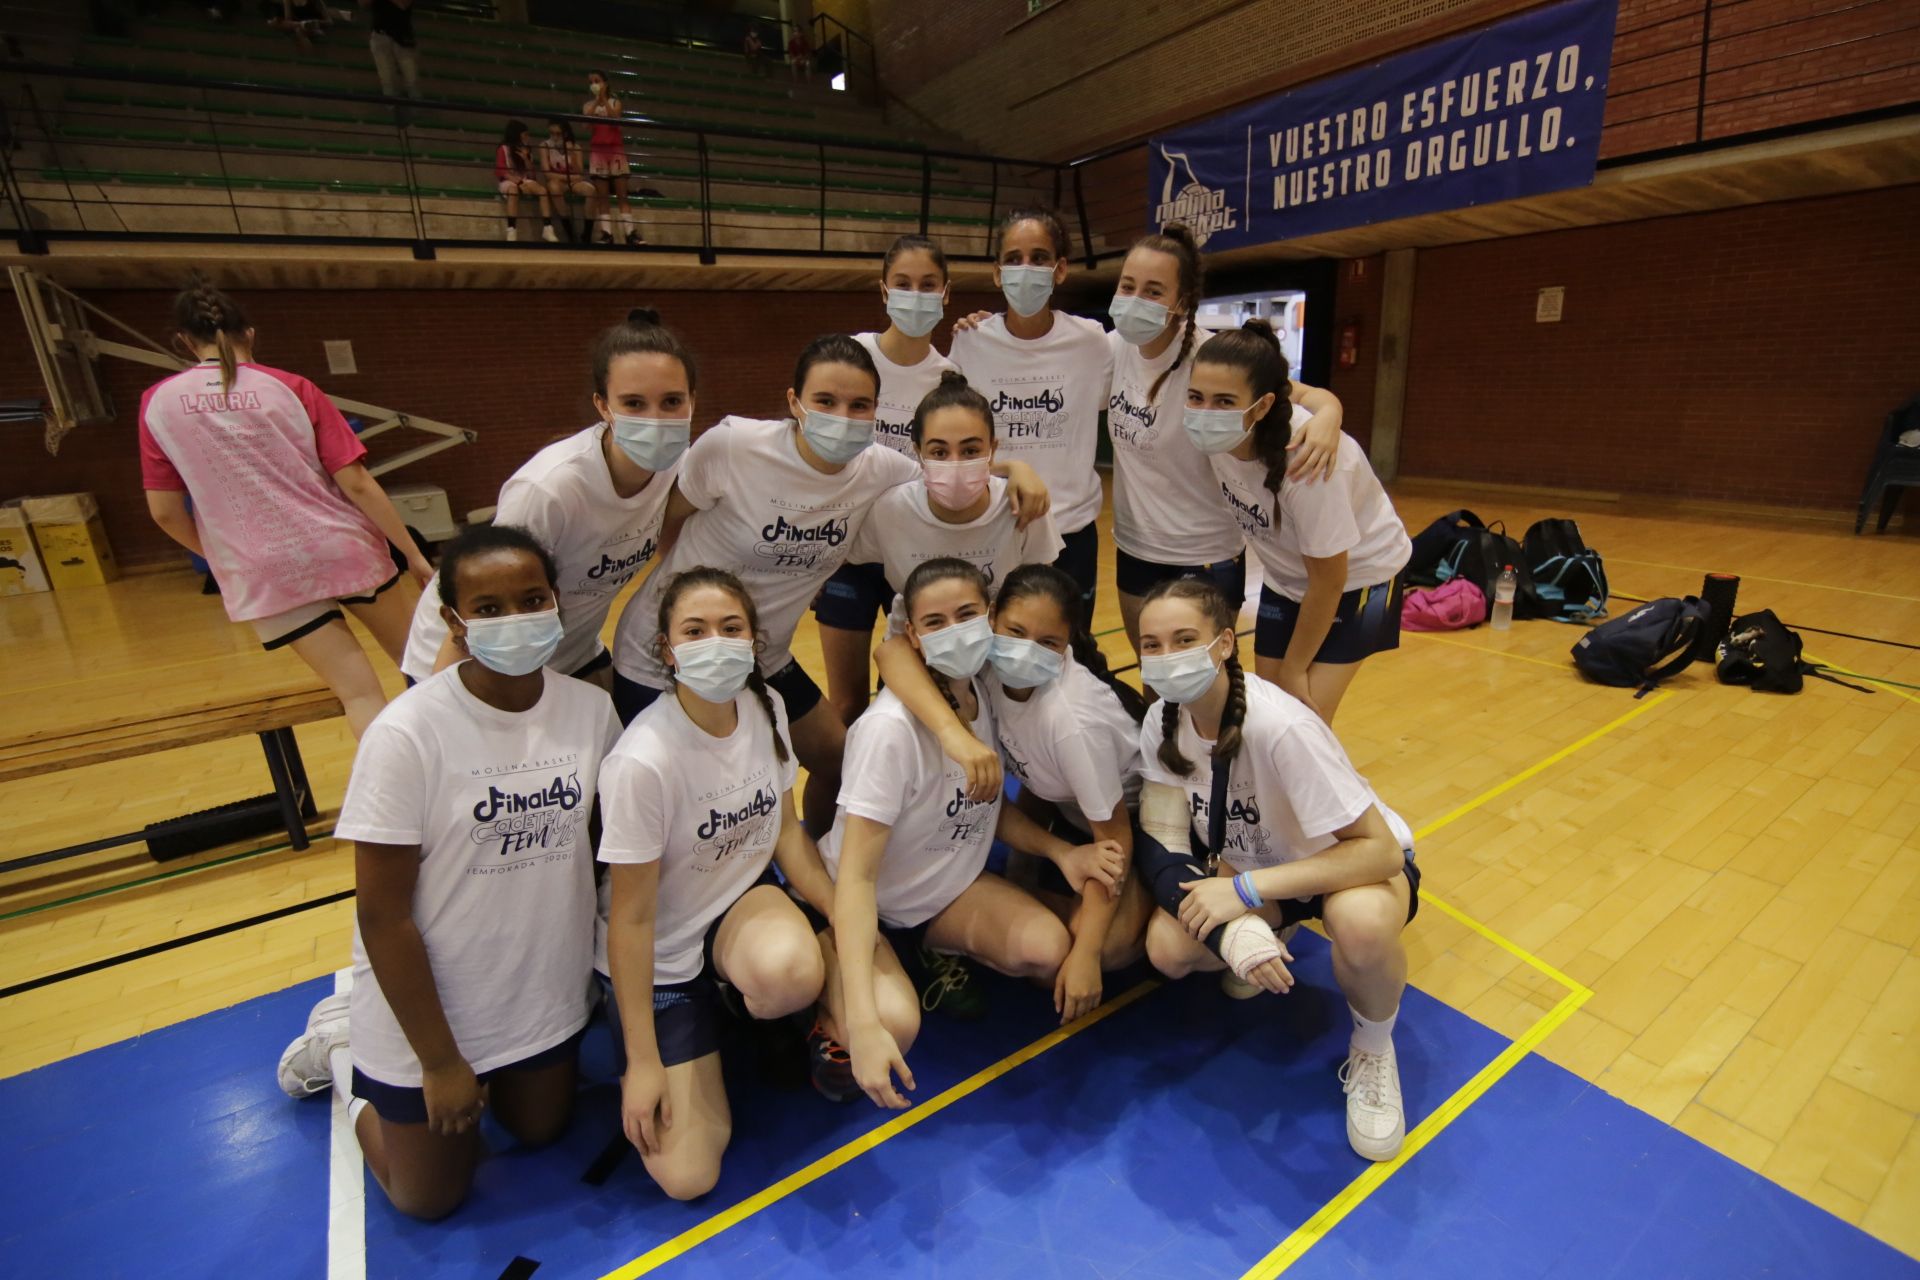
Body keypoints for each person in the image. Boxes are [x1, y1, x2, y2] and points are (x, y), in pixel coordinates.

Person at [276, 524, 623, 1220]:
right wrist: (438, 1063)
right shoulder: (406, 735)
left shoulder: (590, 711)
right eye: (489, 609)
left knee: (541, 1128)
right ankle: (343, 1046)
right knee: (428, 1199)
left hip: (535, 988)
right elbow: (382, 915)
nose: (514, 619)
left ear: (556, 604)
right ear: (454, 623)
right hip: (432, 1003)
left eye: (531, 600)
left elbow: (596, 849)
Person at [607, 335, 1050, 836]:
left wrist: (1018, 467)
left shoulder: (880, 470)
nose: (842, 415)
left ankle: (821, 868)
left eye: (858, 405)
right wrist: (687, 594)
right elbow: (666, 520)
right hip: (669, 656)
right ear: (795, 402)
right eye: (825, 401)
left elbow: (947, 465)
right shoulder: (734, 447)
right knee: (682, 795)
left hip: (763, 653)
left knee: (841, 761)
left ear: (876, 412)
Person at [1129, 575, 1418, 1162]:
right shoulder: (1162, 718)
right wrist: (1236, 925)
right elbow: (1160, 836)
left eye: (1184, 639)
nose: (1166, 657)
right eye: (1151, 645)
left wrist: (1243, 890)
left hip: (1343, 867)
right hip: (1261, 868)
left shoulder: (1280, 727)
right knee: (1169, 947)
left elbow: (1380, 850)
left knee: (1361, 926)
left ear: (1225, 643)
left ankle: (1373, 1050)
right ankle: (1275, 923)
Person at [819, 559, 1126, 1107]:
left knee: (1050, 946)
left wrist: (1062, 853)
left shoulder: (983, 684)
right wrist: (863, 1024)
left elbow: (982, 805)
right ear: (911, 634)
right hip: (865, 901)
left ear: (989, 617)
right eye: (934, 623)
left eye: (966, 615)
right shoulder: (888, 732)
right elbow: (857, 877)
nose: (955, 631)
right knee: (894, 1025)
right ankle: (824, 989)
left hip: (946, 895)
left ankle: (926, 946)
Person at [600, 568, 839, 1198]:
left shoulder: (768, 706)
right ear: (667, 650)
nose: (716, 642)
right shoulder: (640, 762)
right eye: (695, 630)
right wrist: (644, 1062)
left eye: (731, 628)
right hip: (663, 957)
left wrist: (845, 917)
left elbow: (787, 833)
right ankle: (686, 1032)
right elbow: (629, 921)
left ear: (755, 641)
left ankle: (755, 1009)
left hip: (740, 913)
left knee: (815, 983)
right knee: (687, 1176)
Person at [140, 272, 431, 739]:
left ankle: (398, 805)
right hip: (341, 546)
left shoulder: (156, 404)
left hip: (262, 571)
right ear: (249, 334)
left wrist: (225, 557)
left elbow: (165, 513)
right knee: (422, 672)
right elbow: (355, 482)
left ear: (184, 342)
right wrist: (413, 554)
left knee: (359, 696)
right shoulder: (291, 386)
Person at [874, 562, 1152, 1022]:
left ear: (1068, 646)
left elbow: (1114, 838)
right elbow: (890, 653)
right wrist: (953, 734)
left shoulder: (1071, 723)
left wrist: (1085, 956)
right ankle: (981, 910)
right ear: (992, 620)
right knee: (1052, 945)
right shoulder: (983, 657)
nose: (1025, 651)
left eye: (1047, 643)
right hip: (1058, 797)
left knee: (1106, 950)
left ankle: (1148, 904)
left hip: (1126, 823)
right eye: (1015, 631)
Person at [401, 308, 693, 692]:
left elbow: (674, 553)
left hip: (571, 650)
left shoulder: (679, 467)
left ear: (692, 400)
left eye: (671, 401)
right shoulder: (550, 489)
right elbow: (480, 595)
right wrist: (440, 701)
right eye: (634, 404)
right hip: (482, 652)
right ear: (603, 406)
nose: (655, 420)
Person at [1105, 226, 1344, 660]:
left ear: (1181, 303)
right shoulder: (1113, 348)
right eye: (1128, 285)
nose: (1136, 299)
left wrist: (1330, 415)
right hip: (1136, 548)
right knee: (1154, 680)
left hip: (1206, 555)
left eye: (1154, 291)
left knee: (1205, 687)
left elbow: (1302, 394)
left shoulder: (1210, 358)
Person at [1184, 321, 1410, 722]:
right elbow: (1303, 391)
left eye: (1223, 402)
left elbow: (1329, 581)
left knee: (1302, 723)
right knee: (1267, 714)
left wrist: (1294, 667)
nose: (1205, 412)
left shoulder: (1308, 465)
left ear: (1263, 405)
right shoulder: (1224, 435)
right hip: (1286, 577)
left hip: (1358, 582)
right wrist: (1331, 408)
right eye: (1196, 397)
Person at [814, 234, 958, 727]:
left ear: (945, 292)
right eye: (903, 283)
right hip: (849, 555)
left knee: (912, 701)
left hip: (914, 556)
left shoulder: (951, 377)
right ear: (883, 290)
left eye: (927, 284)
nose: (915, 295)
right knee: (847, 707)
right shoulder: (850, 356)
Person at [949, 208, 1112, 614]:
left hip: (1071, 533)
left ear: (1059, 270)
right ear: (997, 272)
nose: (1026, 269)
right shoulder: (971, 341)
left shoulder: (1091, 342)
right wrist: (1009, 468)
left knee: (1070, 658)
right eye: (1014, 259)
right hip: (994, 528)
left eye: (1039, 258)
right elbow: (956, 440)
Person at [584, 71, 643, 248]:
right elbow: (586, 125)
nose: (594, 84)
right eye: (592, 82)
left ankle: (630, 233)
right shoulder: (588, 105)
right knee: (603, 196)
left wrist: (604, 100)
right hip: (598, 152)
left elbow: (616, 120)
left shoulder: (615, 102)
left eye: (597, 81)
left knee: (622, 195)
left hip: (615, 151)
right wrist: (596, 102)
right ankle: (607, 234)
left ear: (605, 83)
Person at [495, 120, 557, 243]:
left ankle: (547, 228)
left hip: (524, 179)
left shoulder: (527, 149)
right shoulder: (504, 148)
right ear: (517, 135)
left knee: (542, 190)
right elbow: (500, 171)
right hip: (509, 180)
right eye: (525, 135)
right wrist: (517, 183)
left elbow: (532, 174)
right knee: (513, 191)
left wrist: (526, 158)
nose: (527, 138)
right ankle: (511, 230)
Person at [541, 117, 596, 243]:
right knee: (554, 187)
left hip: (573, 182)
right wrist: (569, 177)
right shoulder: (545, 146)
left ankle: (587, 234)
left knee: (591, 190)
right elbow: (547, 173)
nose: (554, 136)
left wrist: (571, 153)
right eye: (551, 133)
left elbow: (579, 171)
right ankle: (570, 233)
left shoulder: (575, 147)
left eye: (558, 133)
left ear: (565, 133)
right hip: (558, 181)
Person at [359, 0, 418, 99]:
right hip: (380, 34)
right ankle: (391, 108)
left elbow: (404, 4)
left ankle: (416, 108)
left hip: (403, 37)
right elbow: (363, 3)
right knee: (387, 80)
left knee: (411, 79)